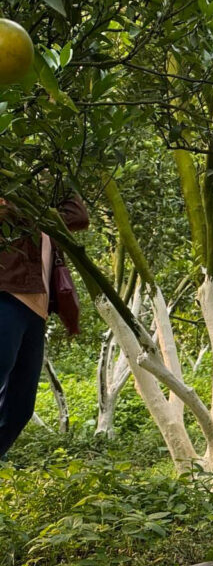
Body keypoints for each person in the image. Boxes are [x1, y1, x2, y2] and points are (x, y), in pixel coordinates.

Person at [0, 193, 90, 458]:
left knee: (19, 408)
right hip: (7, 296)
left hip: (37, 311)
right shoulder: (12, 203)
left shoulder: (39, 206)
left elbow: (78, 216)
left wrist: (53, 177)